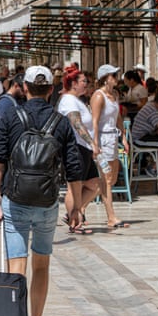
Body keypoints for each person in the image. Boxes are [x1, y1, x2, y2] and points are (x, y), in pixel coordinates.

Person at [0, 65, 83, 316]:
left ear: (25, 88)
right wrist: (75, 208)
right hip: (47, 201)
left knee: (16, 264)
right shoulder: (61, 122)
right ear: (51, 90)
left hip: (15, 199)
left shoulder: (10, 116)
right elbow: (74, 168)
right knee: (41, 265)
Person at [57, 66, 100, 232]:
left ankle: (74, 213)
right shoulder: (68, 100)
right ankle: (75, 220)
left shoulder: (76, 100)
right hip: (75, 147)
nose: (86, 84)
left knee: (95, 184)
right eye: (84, 81)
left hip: (84, 148)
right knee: (74, 186)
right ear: (74, 83)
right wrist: (92, 142)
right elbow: (77, 123)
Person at [91, 64, 130, 229]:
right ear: (106, 77)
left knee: (112, 178)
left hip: (113, 138)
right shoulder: (99, 96)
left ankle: (81, 207)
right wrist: (95, 144)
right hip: (103, 138)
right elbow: (94, 121)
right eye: (114, 75)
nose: (117, 77)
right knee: (106, 179)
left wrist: (123, 136)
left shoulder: (114, 94)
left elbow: (118, 117)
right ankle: (111, 217)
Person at [131, 87, 158, 176]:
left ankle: (155, 167)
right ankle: (152, 168)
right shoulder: (153, 111)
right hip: (140, 139)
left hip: (141, 137)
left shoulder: (150, 106)